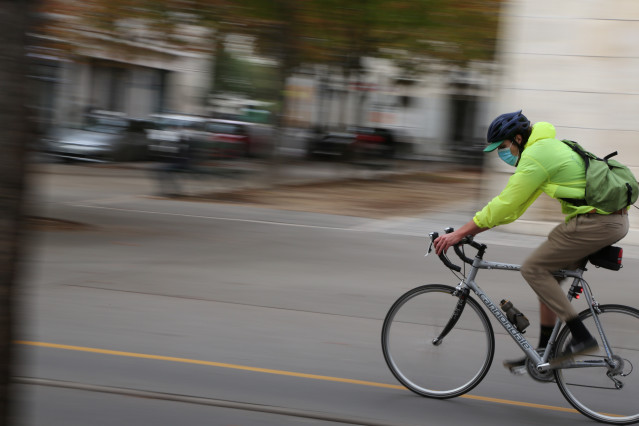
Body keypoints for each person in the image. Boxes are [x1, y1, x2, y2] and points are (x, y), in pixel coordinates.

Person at [433, 110, 629, 373]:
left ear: (517, 138)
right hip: (602, 220)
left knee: (533, 269)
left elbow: (505, 204)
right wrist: (473, 229)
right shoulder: (544, 148)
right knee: (546, 275)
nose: (503, 154)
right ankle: (545, 353)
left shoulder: (536, 156)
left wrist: (461, 233)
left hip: (598, 222)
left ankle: (582, 338)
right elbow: (516, 208)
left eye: (503, 147)